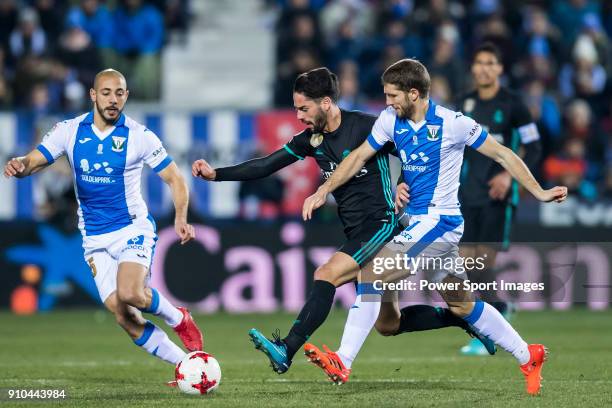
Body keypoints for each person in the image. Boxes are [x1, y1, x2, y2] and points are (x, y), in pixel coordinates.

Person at [192, 67, 493, 376]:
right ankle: (465, 318)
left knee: (327, 274)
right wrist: (217, 174)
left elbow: (412, 151)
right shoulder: (312, 139)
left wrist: (403, 181)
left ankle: (287, 349)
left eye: (303, 108)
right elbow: (266, 165)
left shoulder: (365, 126)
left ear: (325, 102)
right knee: (389, 324)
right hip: (357, 229)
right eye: (296, 108)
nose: (298, 116)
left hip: (381, 224)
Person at [301, 58, 567, 395]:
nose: (387, 102)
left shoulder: (453, 123)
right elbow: (356, 158)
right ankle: (529, 354)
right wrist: (324, 190)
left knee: (372, 271)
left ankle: (344, 359)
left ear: (414, 93)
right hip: (419, 222)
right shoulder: (389, 120)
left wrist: (539, 192)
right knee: (462, 304)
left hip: (440, 221)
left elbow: (503, 154)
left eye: (392, 95)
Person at [3, 69, 203, 377]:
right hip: (94, 239)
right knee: (124, 316)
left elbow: (175, 178)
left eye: (119, 93)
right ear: (93, 95)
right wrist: (20, 166)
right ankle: (185, 367)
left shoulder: (139, 136)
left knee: (132, 293)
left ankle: (179, 319)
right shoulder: (69, 131)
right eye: (106, 92)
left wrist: (180, 218)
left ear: (126, 96)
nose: (113, 99)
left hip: (132, 229)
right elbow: (36, 160)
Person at [453, 42, 542, 355]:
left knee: (482, 261)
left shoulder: (514, 105)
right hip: (466, 195)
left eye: (491, 62)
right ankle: (498, 312)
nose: (484, 68)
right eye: (479, 62)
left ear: (500, 69)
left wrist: (507, 174)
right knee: (467, 263)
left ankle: (492, 323)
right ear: (473, 68)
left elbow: (533, 146)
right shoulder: (462, 102)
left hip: (499, 197)